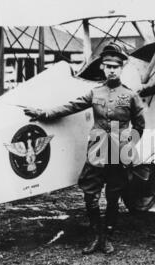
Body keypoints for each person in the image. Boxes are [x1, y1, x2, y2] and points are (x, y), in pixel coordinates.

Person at [23, 43, 145, 254]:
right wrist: (44, 114)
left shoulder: (130, 95)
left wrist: (128, 146)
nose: (112, 70)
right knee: (90, 193)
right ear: (102, 68)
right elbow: (71, 106)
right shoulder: (95, 92)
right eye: (108, 66)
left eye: (116, 66)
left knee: (114, 195)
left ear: (121, 68)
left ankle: (107, 238)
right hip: (97, 147)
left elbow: (140, 125)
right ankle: (96, 236)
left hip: (118, 149)